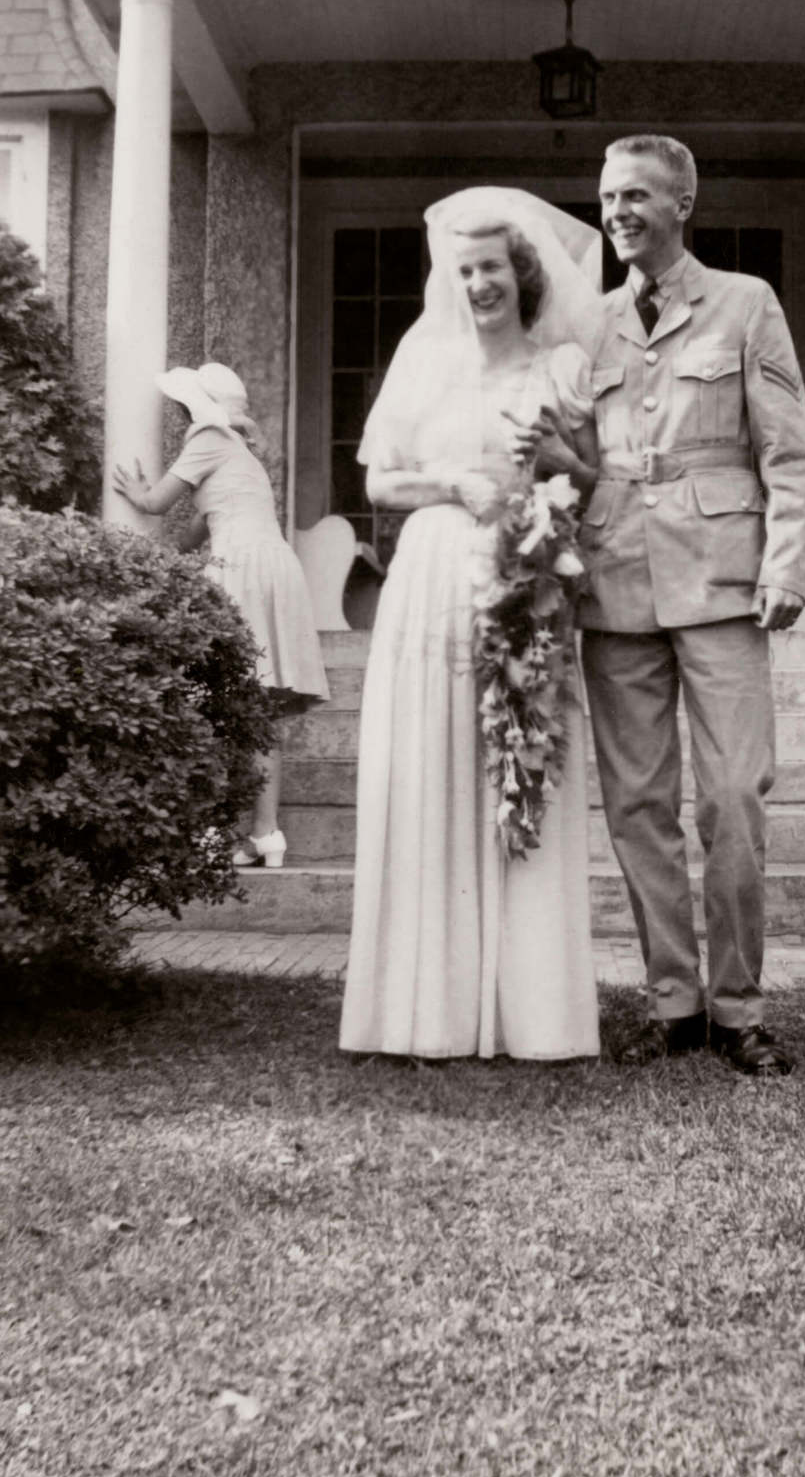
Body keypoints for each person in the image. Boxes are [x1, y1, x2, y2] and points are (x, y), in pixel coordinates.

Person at [565, 134, 805, 1075]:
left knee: (734, 799)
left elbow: (785, 451)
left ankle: (739, 1007)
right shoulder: (587, 325)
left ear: (682, 205)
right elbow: (568, 455)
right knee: (637, 807)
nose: (617, 212)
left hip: (721, 581)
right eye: (606, 197)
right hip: (614, 581)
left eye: (635, 195)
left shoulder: (746, 305)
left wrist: (786, 563)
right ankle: (673, 1002)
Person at [338, 188, 603, 1061]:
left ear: (522, 272)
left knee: (518, 769)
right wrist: (454, 484)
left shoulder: (558, 366)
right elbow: (379, 483)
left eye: (493, 266)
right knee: (430, 768)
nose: (480, 282)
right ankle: (426, 1012)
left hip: (524, 579)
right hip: (429, 581)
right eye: (466, 270)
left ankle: (533, 1015)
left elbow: (590, 477)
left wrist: (548, 478)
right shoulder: (422, 362)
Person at [113, 361, 329, 866]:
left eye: (182, 406)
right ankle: (266, 835)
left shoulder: (208, 437)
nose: (178, 414)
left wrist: (137, 493)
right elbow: (196, 531)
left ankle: (212, 830)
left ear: (197, 407)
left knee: (219, 703)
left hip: (244, 570)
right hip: (274, 566)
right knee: (260, 712)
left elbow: (157, 503)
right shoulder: (239, 454)